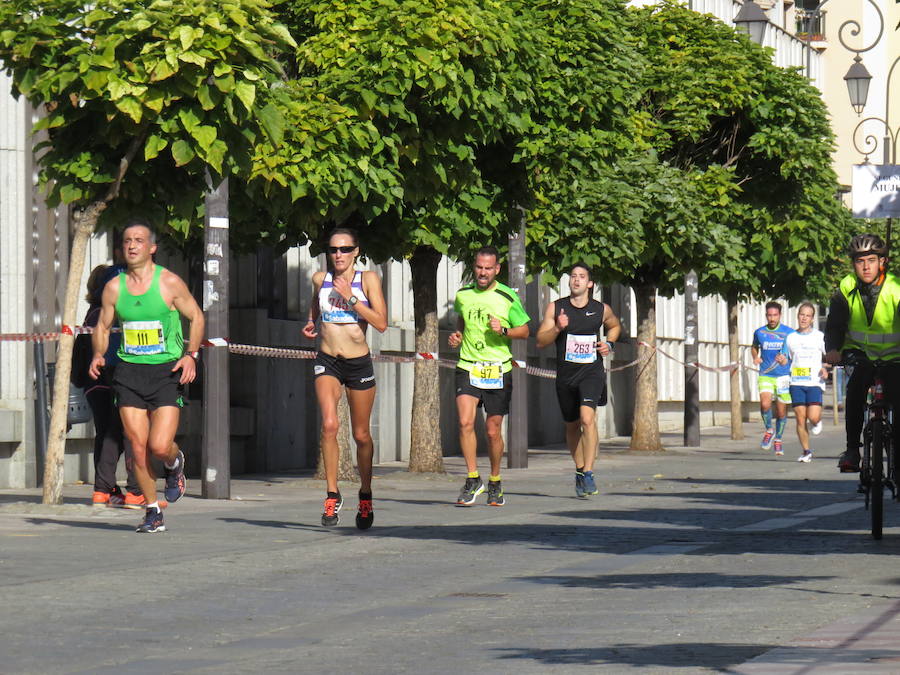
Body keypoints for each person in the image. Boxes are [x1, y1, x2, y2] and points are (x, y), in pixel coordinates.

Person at [89, 219, 204, 533]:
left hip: (166, 372)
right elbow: (101, 326)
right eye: (127, 240)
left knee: (158, 445)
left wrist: (191, 356)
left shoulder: (168, 282)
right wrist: (99, 354)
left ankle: (174, 461)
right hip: (128, 373)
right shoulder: (114, 287)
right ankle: (152, 511)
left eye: (139, 240)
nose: (132, 245)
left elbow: (195, 316)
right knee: (137, 446)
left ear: (152, 247)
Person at [302, 228, 387, 529]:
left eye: (345, 249)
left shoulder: (368, 280)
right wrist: (312, 320)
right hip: (327, 360)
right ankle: (332, 493)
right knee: (329, 424)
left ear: (355, 251)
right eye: (333, 249)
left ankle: (365, 493)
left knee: (361, 435)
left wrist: (351, 299)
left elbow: (381, 323)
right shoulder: (319, 279)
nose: (338, 254)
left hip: (358, 363)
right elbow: (316, 302)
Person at [448, 246, 530, 507]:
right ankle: (473, 478)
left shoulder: (507, 296)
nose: (482, 273)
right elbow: (461, 319)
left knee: (493, 431)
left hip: (498, 369)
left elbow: (525, 330)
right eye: (479, 267)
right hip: (468, 365)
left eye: (488, 268)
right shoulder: (463, 295)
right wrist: (457, 334)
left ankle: (495, 480)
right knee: (464, 422)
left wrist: (504, 329)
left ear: (497, 269)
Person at [536, 263, 621, 497]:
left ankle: (590, 473)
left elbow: (614, 326)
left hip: (591, 372)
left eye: (582, 277)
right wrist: (557, 329)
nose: (577, 280)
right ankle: (580, 469)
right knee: (572, 425)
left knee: (587, 418)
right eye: (573, 276)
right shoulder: (556, 308)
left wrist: (609, 343)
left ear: (590, 283)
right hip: (566, 375)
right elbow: (540, 341)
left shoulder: (600, 309)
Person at [825, 233, 900, 473]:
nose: (865, 266)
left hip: (894, 357)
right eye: (860, 261)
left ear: (882, 262)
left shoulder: (896, 289)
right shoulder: (846, 287)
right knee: (855, 393)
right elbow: (835, 323)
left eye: (871, 260)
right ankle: (852, 451)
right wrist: (833, 349)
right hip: (860, 356)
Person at [74, 264, 144, 508]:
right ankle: (129, 488)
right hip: (107, 378)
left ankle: (106, 488)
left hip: (99, 381)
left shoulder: (95, 313)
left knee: (110, 432)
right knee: (120, 432)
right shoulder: (104, 314)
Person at [776, 303, 828, 463]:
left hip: (814, 382)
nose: (804, 318)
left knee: (812, 417)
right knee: (800, 418)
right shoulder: (790, 337)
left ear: (812, 319)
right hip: (796, 382)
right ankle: (806, 451)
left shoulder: (819, 337)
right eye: (801, 315)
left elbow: (829, 357)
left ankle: (817, 421)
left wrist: (825, 368)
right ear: (798, 316)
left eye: (807, 315)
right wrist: (783, 360)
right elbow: (785, 359)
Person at [750, 302, 794, 456]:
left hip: (783, 376)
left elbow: (795, 352)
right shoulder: (759, 332)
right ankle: (769, 430)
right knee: (765, 403)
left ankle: (779, 439)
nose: (772, 318)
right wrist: (756, 357)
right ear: (766, 315)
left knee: (781, 412)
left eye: (775, 315)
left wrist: (786, 359)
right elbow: (754, 347)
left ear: (780, 315)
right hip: (766, 374)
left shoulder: (789, 333)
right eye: (769, 315)